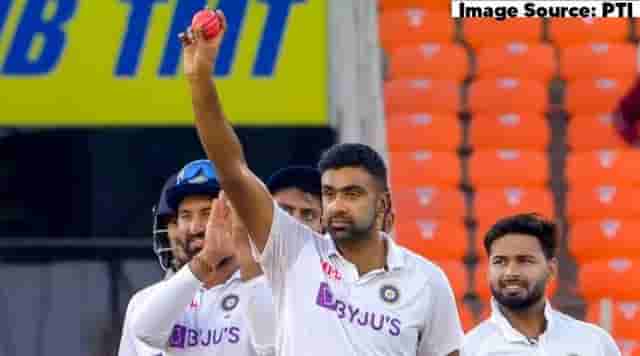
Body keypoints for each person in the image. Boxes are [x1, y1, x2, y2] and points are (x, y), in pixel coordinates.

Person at [179, 12, 463, 356]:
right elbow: (232, 168)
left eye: (353, 193)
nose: (338, 205)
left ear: (383, 204)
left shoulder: (426, 281)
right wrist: (200, 78)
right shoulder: (295, 251)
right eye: (329, 194)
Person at [130, 159, 272, 355]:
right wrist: (206, 260)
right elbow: (145, 332)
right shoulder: (146, 301)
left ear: (240, 217)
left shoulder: (269, 289)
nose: (195, 227)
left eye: (208, 213)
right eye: (186, 215)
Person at [461, 213, 621, 356]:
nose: (510, 272)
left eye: (524, 260)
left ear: (551, 270)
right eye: (500, 261)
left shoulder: (594, 342)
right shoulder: (470, 349)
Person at [118, 174, 188, 356]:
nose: (188, 229)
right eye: (175, 221)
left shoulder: (250, 290)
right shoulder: (142, 303)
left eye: (205, 215)